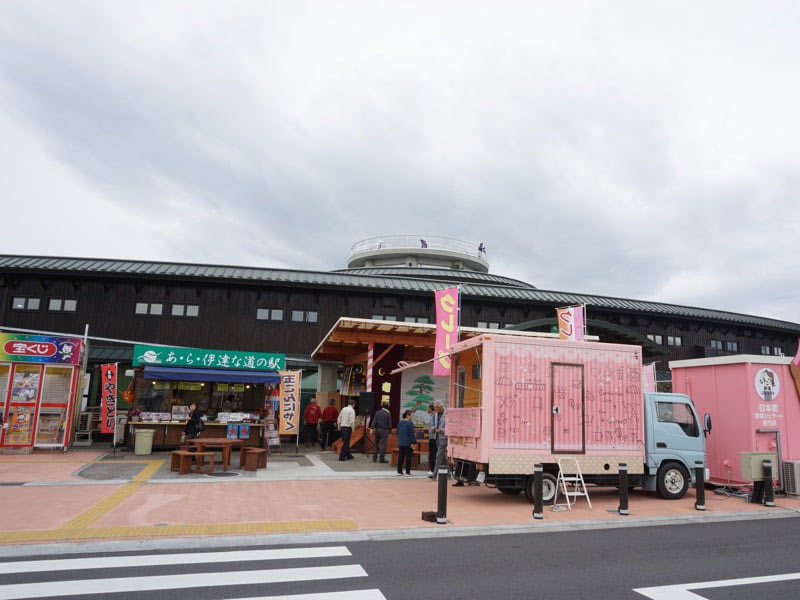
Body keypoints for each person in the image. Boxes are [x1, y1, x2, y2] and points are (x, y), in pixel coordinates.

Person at [430, 400, 448, 479]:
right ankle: (448, 473)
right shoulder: (435, 415)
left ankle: (434, 474)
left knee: (438, 456)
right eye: (434, 407)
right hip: (436, 437)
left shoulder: (447, 414)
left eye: (436, 407)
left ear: (441, 407)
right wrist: (433, 428)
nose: (435, 409)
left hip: (444, 438)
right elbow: (432, 424)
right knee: (443, 457)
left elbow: (450, 427)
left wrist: (441, 430)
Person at [396, 410, 416, 476]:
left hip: (401, 442)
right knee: (408, 457)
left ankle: (399, 471)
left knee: (400, 457)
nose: (412, 417)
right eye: (411, 415)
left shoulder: (400, 423)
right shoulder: (410, 423)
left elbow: (397, 432)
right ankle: (407, 472)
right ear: (408, 415)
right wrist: (413, 442)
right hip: (408, 443)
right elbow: (412, 434)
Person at [426, 403, 437, 476]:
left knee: (433, 454)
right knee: (433, 453)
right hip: (432, 437)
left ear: (431, 408)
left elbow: (434, 426)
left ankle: (433, 469)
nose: (427, 409)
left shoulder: (434, 416)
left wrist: (431, 430)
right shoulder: (433, 416)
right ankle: (433, 469)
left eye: (428, 408)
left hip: (433, 438)